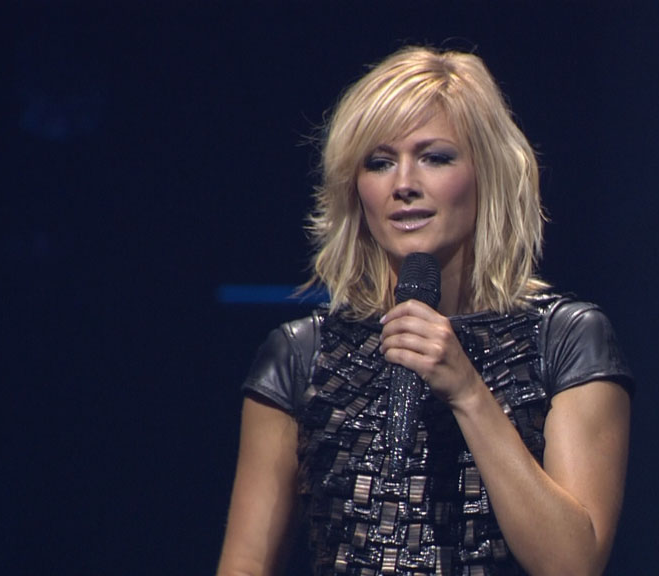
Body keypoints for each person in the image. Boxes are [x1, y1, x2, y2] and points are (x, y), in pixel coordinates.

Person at [217, 46, 633, 576]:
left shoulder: (567, 339)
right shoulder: (302, 354)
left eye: (434, 157)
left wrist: (468, 392)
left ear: (487, 173)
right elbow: (245, 564)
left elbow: (573, 564)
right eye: (379, 162)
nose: (404, 184)